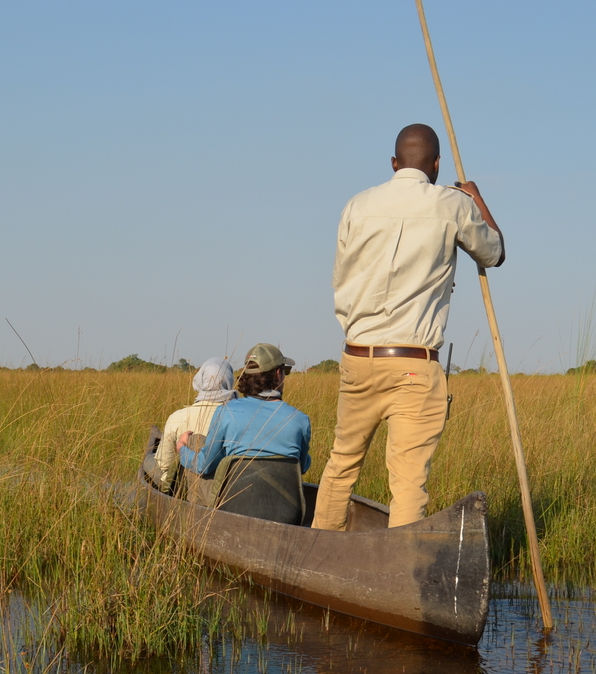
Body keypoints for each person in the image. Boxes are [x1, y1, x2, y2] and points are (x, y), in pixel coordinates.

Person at [312, 124, 505, 529]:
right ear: (436, 165)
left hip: (358, 356)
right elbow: (494, 252)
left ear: (394, 164)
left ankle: (318, 549)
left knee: (341, 465)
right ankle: (397, 577)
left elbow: (338, 277)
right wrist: (476, 198)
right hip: (415, 365)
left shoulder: (357, 205)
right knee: (408, 482)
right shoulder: (454, 205)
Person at [177, 343, 311, 488]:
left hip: (231, 505)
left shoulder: (225, 412)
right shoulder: (300, 420)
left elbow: (203, 466)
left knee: (194, 442)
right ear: (278, 375)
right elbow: (302, 467)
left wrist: (182, 448)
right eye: (286, 371)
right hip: (285, 509)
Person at [144, 357, 236, 494]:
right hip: (224, 489)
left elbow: (165, 465)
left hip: (183, 489)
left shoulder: (178, 417)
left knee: (148, 460)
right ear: (230, 381)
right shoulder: (237, 418)